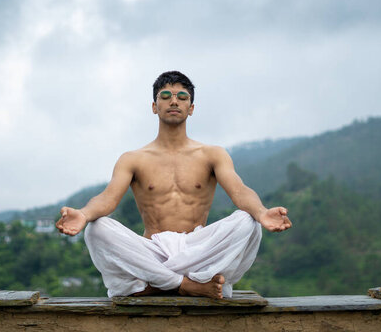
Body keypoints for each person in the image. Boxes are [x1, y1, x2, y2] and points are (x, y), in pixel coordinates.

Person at [56, 71, 292, 299]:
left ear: (191, 108)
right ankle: (185, 285)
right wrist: (84, 214)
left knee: (249, 222)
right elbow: (108, 199)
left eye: (182, 97)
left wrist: (262, 213)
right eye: (166, 96)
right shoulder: (133, 158)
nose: (174, 101)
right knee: (96, 229)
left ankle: (159, 285)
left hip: (198, 252)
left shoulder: (212, 154)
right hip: (153, 254)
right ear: (154, 106)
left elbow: (239, 191)